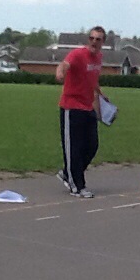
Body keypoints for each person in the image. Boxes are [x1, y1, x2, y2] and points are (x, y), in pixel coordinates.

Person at [56, 26, 107, 198]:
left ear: (102, 42)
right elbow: (64, 65)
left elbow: (92, 79)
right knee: (73, 149)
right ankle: (77, 186)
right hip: (71, 107)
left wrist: (100, 93)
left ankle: (68, 173)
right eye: (91, 38)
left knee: (92, 145)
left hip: (87, 106)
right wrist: (60, 73)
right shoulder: (78, 54)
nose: (94, 41)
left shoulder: (99, 57)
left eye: (98, 39)